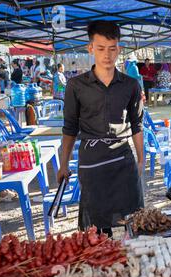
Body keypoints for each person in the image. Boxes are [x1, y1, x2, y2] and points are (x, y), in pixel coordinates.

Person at [57, 20, 145, 237]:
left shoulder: (131, 85)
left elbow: (137, 124)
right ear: (90, 49)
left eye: (112, 49)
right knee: (97, 229)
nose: (107, 55)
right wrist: (63, 164)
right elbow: (70, 127)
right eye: (101, 48)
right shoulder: (75, 86)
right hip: (92, 162)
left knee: (132, 221)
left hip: (123, 161)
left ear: (119, 49)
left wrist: (141, 160)